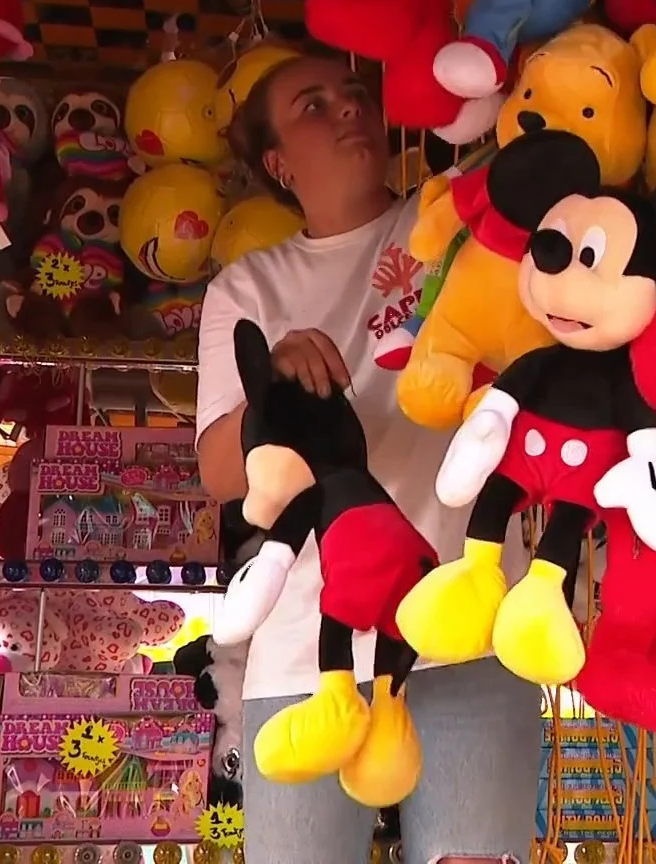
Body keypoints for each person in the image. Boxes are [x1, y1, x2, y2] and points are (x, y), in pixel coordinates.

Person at [196, 53, 542, 864]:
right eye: (313, 105)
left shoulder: (458, 221)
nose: (347, 108)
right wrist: (274, 387)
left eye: (354, 94)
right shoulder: (249, 289)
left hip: (470, 625)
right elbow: (218, 471)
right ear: (278, 162)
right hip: (303, 646)